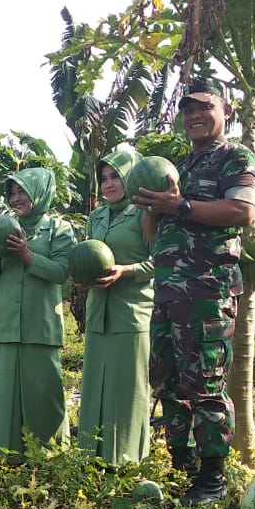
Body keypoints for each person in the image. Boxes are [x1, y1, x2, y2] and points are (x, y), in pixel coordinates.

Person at [134, 78, 255, 505]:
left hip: (208, 291)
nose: (194, 116)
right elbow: (154, 235)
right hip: (168, 291)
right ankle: (184, 466)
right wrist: (153, 207)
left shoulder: (235, 157)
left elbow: (243, 211)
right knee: (168, 381)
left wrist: (181, 206)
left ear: (225, 111)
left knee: (205, 382)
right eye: (187, 110)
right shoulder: (178, 170)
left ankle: (213, 478)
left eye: (204, 107)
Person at [0, 169, 74, 454]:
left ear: (40, 192)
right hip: (4, 323)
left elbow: (61, 272)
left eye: (22, 191)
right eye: (13, 193)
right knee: (3, 393)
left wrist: (27, 254)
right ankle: (3, 455)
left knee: (44, 392)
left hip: (40, 323)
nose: (16, 198)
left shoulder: (59, 228)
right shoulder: (2, 227)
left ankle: (49, 453)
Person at [78, 148, 155, 465]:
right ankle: (90, 455)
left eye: (115, 177)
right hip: (98, 312)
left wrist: (127, 271)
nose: (109, 184)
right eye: (104, 178)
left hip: (132, 311)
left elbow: (160, 260)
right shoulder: (95, 216)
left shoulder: (145, 212)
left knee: (128, 388)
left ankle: (126, 458)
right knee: (95, 384)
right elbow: (87, 256)